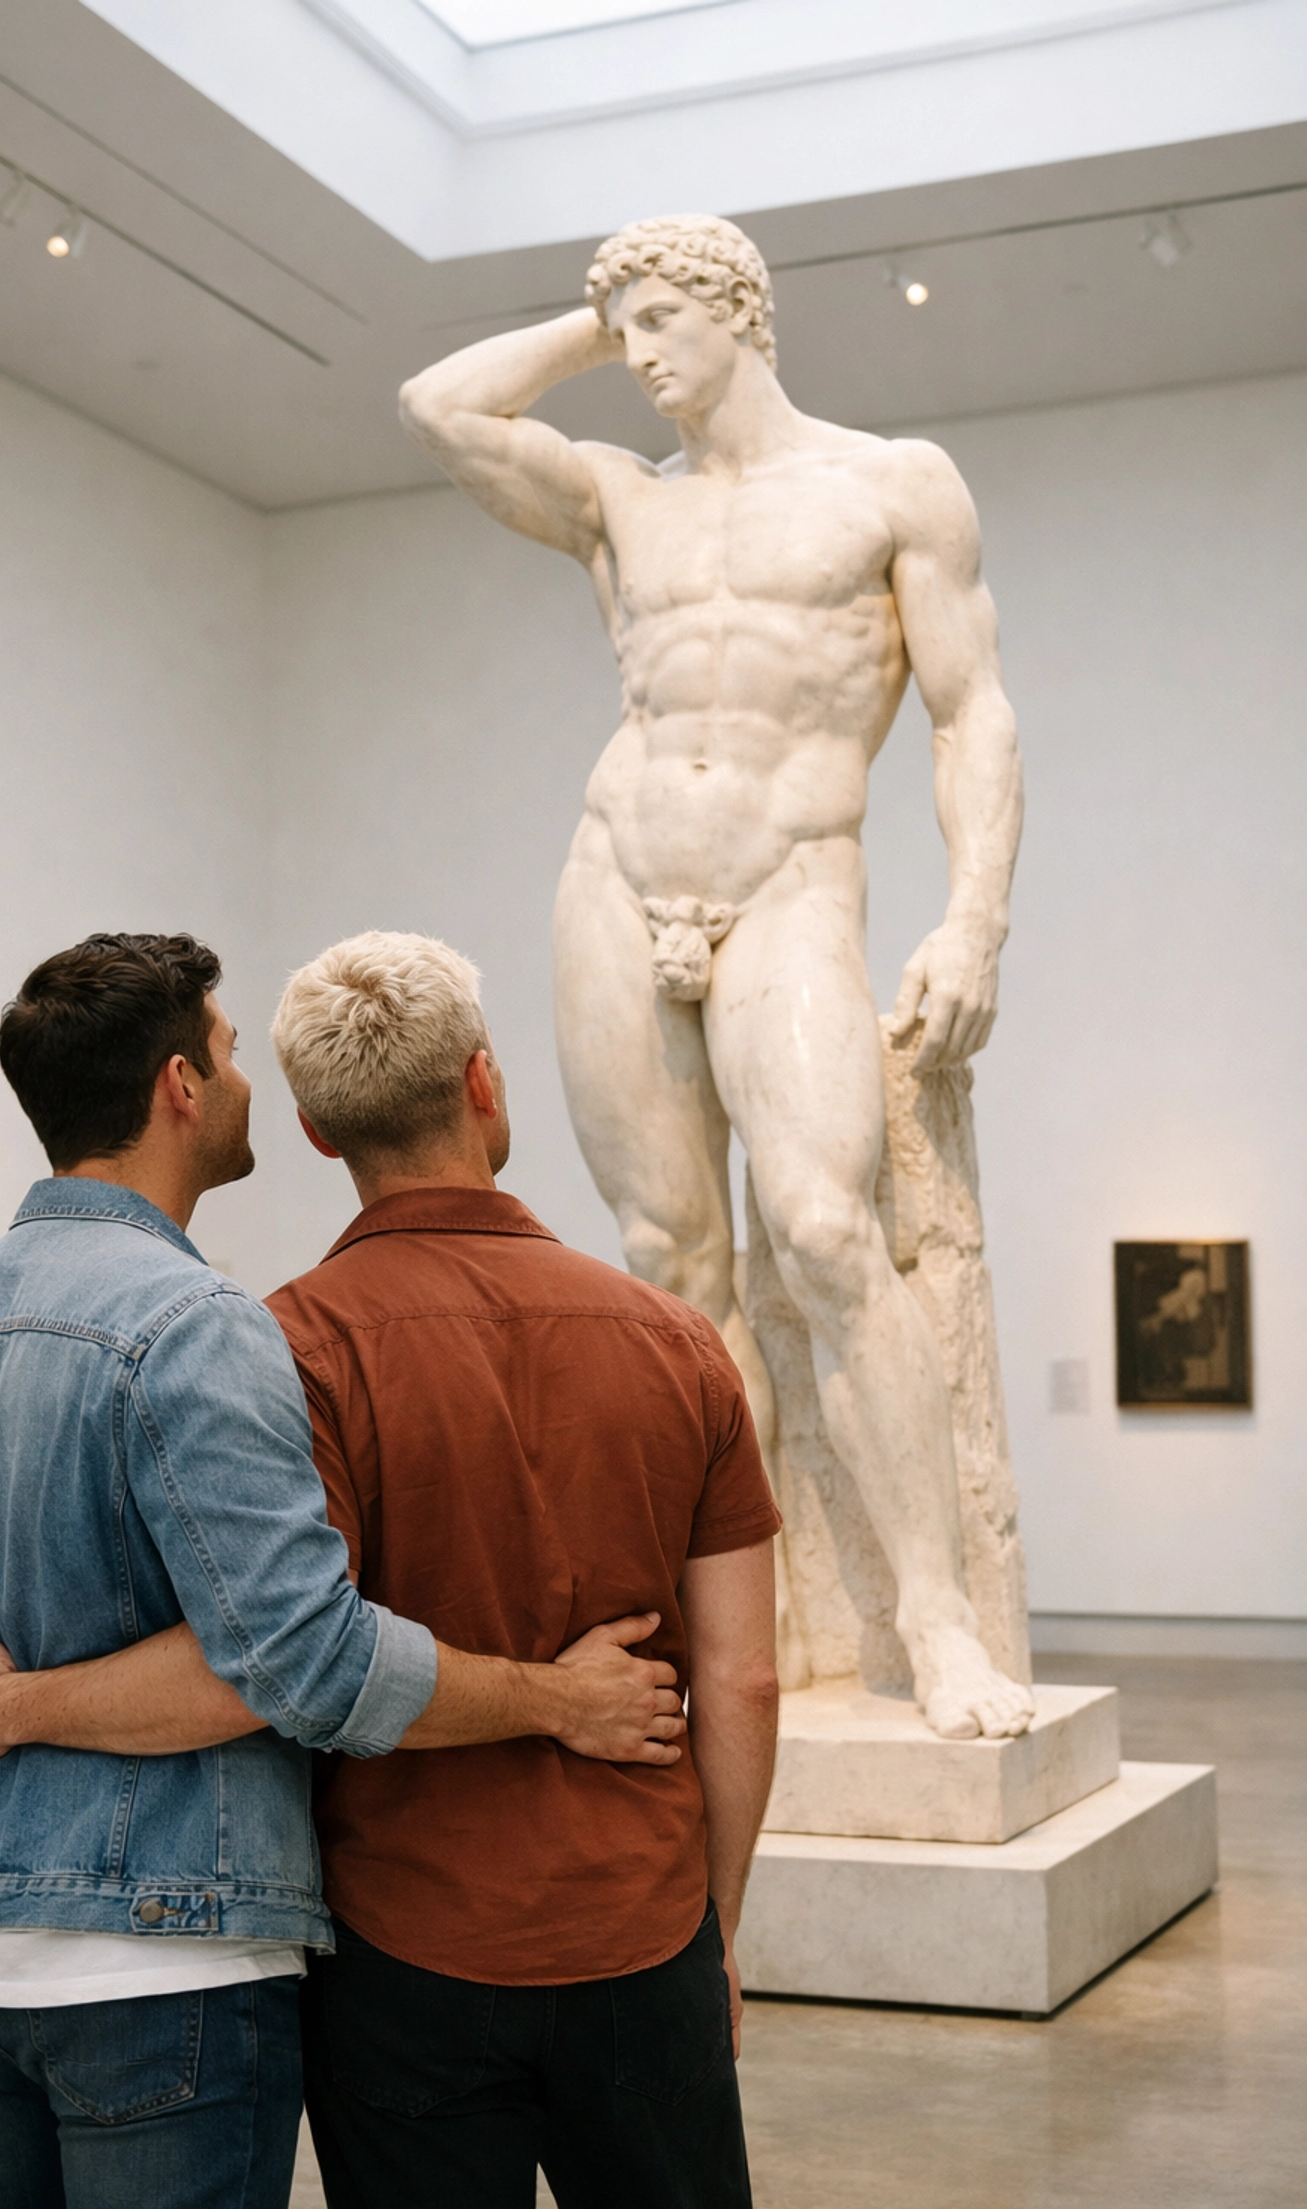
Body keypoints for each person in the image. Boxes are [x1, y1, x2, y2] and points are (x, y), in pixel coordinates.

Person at [0, 930, 783, 2209]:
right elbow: (738, 1680)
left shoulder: (290, 1346)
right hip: (640, 1929)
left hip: (402, 1952)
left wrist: (11, 1708)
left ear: (317, 1133)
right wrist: (715, 1928)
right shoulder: (676, 1344)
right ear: (487, 1087)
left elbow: (265, 1653)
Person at [397, 213, 1033, 1741]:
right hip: (617, 872)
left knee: (824, 1231)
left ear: (746, 312)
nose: (647, 358)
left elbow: (972, 715)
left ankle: (938, 1627)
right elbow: (439, 407)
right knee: (669, 1263)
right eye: (631, 335)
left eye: (672, 320)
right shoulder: (623, 501)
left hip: (793, 880)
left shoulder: (891, 483)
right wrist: (597, 310)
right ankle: (739, 1625)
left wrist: (974, 922)